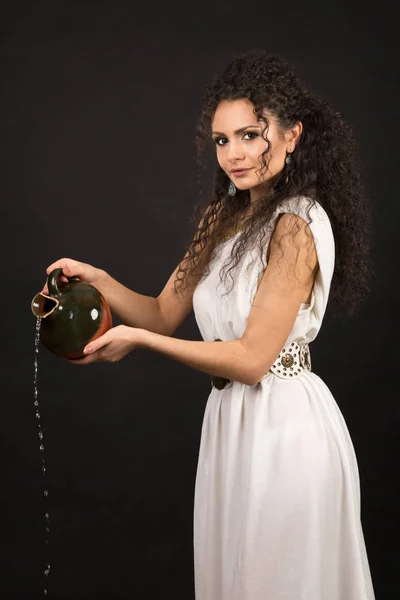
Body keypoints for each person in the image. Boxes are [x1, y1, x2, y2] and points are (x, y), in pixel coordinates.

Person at [42, 50, 375, 599]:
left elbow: (250, 360)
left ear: (291, 135)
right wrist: (100, 281)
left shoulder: (296, 225)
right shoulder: (222, 217)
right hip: (229, 426)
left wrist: (138, 343)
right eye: (222, 140)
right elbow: (162, 312)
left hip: (283, 430)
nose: (234, 155)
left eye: (250, 135)